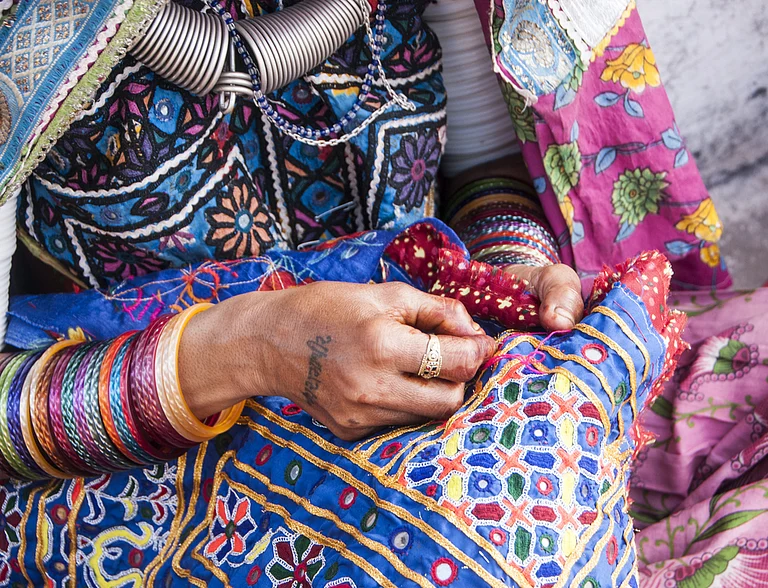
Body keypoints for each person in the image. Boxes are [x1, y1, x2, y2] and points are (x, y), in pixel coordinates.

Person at [0, 0, 748, 585]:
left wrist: (506, 267)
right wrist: (251, 348)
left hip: (428, 371)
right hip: (152, 464)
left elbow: (482, 161)